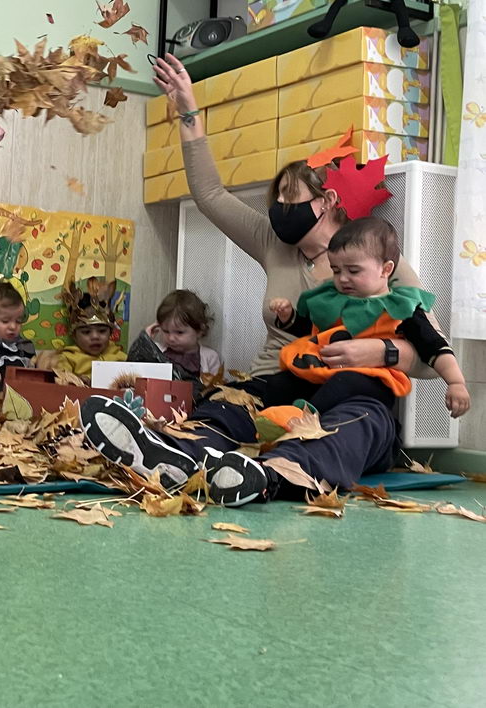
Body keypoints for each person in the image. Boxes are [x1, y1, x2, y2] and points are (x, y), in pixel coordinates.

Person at [79, 52, 447, 507]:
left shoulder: (379, 259)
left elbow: (434, 354)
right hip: (275, 383)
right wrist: (187, 110)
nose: (279, 211)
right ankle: (173, 457)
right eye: (276, 202)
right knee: (222, 408)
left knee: (361, 424)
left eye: (290, 200)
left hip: (354, 390)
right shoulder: (274, 241)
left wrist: (383, 350)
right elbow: (210, 195)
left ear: (326, 200)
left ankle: (267, 476)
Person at [260, 216, 469, 423]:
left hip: (372, 380)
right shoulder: (332, 301)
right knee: (281, 382)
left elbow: (434, 345)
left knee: (345, 382)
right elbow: (314, 334)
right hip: (322, 370)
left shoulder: (401, 308)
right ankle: (267, 420)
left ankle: (305, 420)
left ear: (385, 270)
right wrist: (289, 318)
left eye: (353, 270)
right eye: (336, 270)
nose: (342, 278)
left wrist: (456, 382)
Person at [127, 290, 221, 394]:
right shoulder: (157, 350)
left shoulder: (209, 357)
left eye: (179, 332)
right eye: (166, 331)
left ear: (199, 330)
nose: (171, 338)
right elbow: (133, 367)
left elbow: (215, 391)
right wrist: (145, 340)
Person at [55, 278, 127, 381]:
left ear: (110, 332)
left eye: (102, 331)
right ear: (74, 335)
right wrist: (77, 381)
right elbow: (60, 382)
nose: (95, 336)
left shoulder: (121, 357)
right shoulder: (67, 358)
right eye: (86, 332)